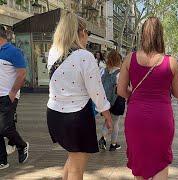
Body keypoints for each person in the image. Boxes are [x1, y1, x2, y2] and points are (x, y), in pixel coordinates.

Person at [46, 12, 113, 179]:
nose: (88, 38)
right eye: (88, 33)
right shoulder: (85, 56)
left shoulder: (54, 52)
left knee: (72, 158)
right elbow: (96, 91)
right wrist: (107, 115)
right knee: (77, 167)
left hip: (54, 114)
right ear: (81, 32)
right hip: (76, 117)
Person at [117, 17, 178, 180]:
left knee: (139, 164)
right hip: (161, 117)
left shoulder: (129, 58)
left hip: (136, 116)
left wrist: (133, 96)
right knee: (160, 161)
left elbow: (120, 90)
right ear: (161, 35)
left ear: (142, 35)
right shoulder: (171, 62)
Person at [0, 25, 29, 170]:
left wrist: (12, 92)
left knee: (4, 128)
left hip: (8, 95)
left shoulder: (13, 51)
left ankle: (22, 145)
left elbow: (22, 73)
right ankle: (2, 160)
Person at [98, 49, 123, 151]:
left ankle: (103, 138)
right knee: (115, 122)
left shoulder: (103, 71)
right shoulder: (120, 73)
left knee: (107, 120)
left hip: (105, 100)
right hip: (117, 100)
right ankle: (113, 144)